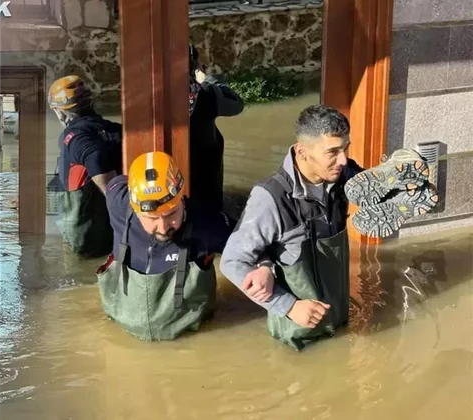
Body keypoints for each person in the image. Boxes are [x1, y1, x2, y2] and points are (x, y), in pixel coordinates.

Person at [219, 105, 363, 351]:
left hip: (339, 324)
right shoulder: (270, 198)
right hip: (295, 338)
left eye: (345, 149)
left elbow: (375, 190)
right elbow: (232, 262)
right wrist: (288, 306)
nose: (343, 160)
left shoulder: (343, 176)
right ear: (302, 151)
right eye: (332, 152)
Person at [96, 151, 235, 341]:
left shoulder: (208, 224)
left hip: (189, 337)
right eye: (152, 218)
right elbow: (114, 183)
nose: (163, 228)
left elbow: (251, 247)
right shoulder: (118, 202)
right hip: (120, 330)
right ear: (134, 207)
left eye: (171, 214)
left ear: (181, 198)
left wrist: (264, 268)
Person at [48, 75, 124, 258]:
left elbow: (95, 157)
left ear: (60, 112)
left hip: (87, 238)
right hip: (114, 234)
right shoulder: (115, 130)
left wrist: (114, 196)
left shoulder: (75, 137)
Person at [188, 43, 245, 211]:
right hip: (204, 187)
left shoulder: (150, 95)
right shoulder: (205, 94)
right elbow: (236, 104)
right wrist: (204, 78)